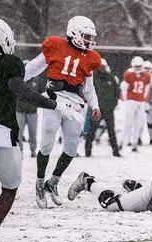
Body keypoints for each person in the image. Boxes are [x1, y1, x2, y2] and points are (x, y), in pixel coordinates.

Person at [0, 18, 82, 242]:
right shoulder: (8, 62)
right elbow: (23, 91)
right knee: (9, 190)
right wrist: (55, 105)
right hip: (1, 136)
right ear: (3, 38)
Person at [24, 16, 101, 209]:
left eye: (90, 37)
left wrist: (95, 105)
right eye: (85, 36)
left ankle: (53, 183)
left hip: (75, 104)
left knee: (71, 148)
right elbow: (33, 68)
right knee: (47, 142)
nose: (88, 41)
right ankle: (40, 184)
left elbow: (89, 88)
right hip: (53, 99)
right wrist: (15, 82)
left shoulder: (89, 57)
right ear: (74, 32)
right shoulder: (55, 46)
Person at [85, 58, 121, 157]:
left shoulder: (111, 78)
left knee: (111, 131)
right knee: (92, 130)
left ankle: (115, 151)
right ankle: (88, 151)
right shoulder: (93, 78)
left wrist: (112, 105)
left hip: (109, 109)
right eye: (100, 66)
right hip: (97, 110)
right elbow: (88, 92)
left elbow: (117, 92)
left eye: (103, 66)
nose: (102, 68)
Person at [120, 56, 151, 152]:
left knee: (139, 124)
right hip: (131, 101)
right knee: (128, 123)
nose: (137, 68)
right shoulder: (128, 74)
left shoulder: (146, 75)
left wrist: (143, 98)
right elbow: (124, 87)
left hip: (140, 101)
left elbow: (146, 88)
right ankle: (121, 143)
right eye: (136, 66)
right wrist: (126, 99)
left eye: (139, 66)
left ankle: (134, 144)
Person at [16, 59, 41, 157]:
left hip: (32, 111)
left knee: (33, 133)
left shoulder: (36, 81)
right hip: (20, 111)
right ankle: (19, 150)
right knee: (18, 133)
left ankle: (33, 150)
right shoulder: (18, 80)